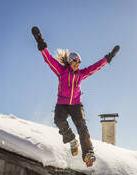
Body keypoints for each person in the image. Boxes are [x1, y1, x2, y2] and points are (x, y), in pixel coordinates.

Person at [31, 26, 119, 167]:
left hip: (76, 105)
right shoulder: (61, 71)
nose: (78, 64)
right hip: (63, 104)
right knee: (59, 120)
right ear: (70, 61)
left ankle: (88, 153)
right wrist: (40, 41)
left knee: (82, 128)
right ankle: (71, 140)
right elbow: (48, 59)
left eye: (79, 62)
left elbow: (95, 67)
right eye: (75, 61)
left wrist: (109, 57)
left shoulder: (81, 74)